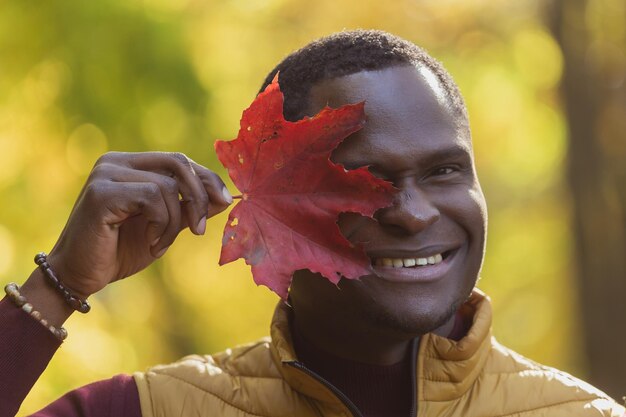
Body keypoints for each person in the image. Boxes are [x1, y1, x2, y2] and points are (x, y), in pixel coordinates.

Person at [1, 30, 623, 417]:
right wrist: (56, 287)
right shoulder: (145, 410)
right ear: (277, 217)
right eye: (364, 180)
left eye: (443, 171)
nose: (413, 212)